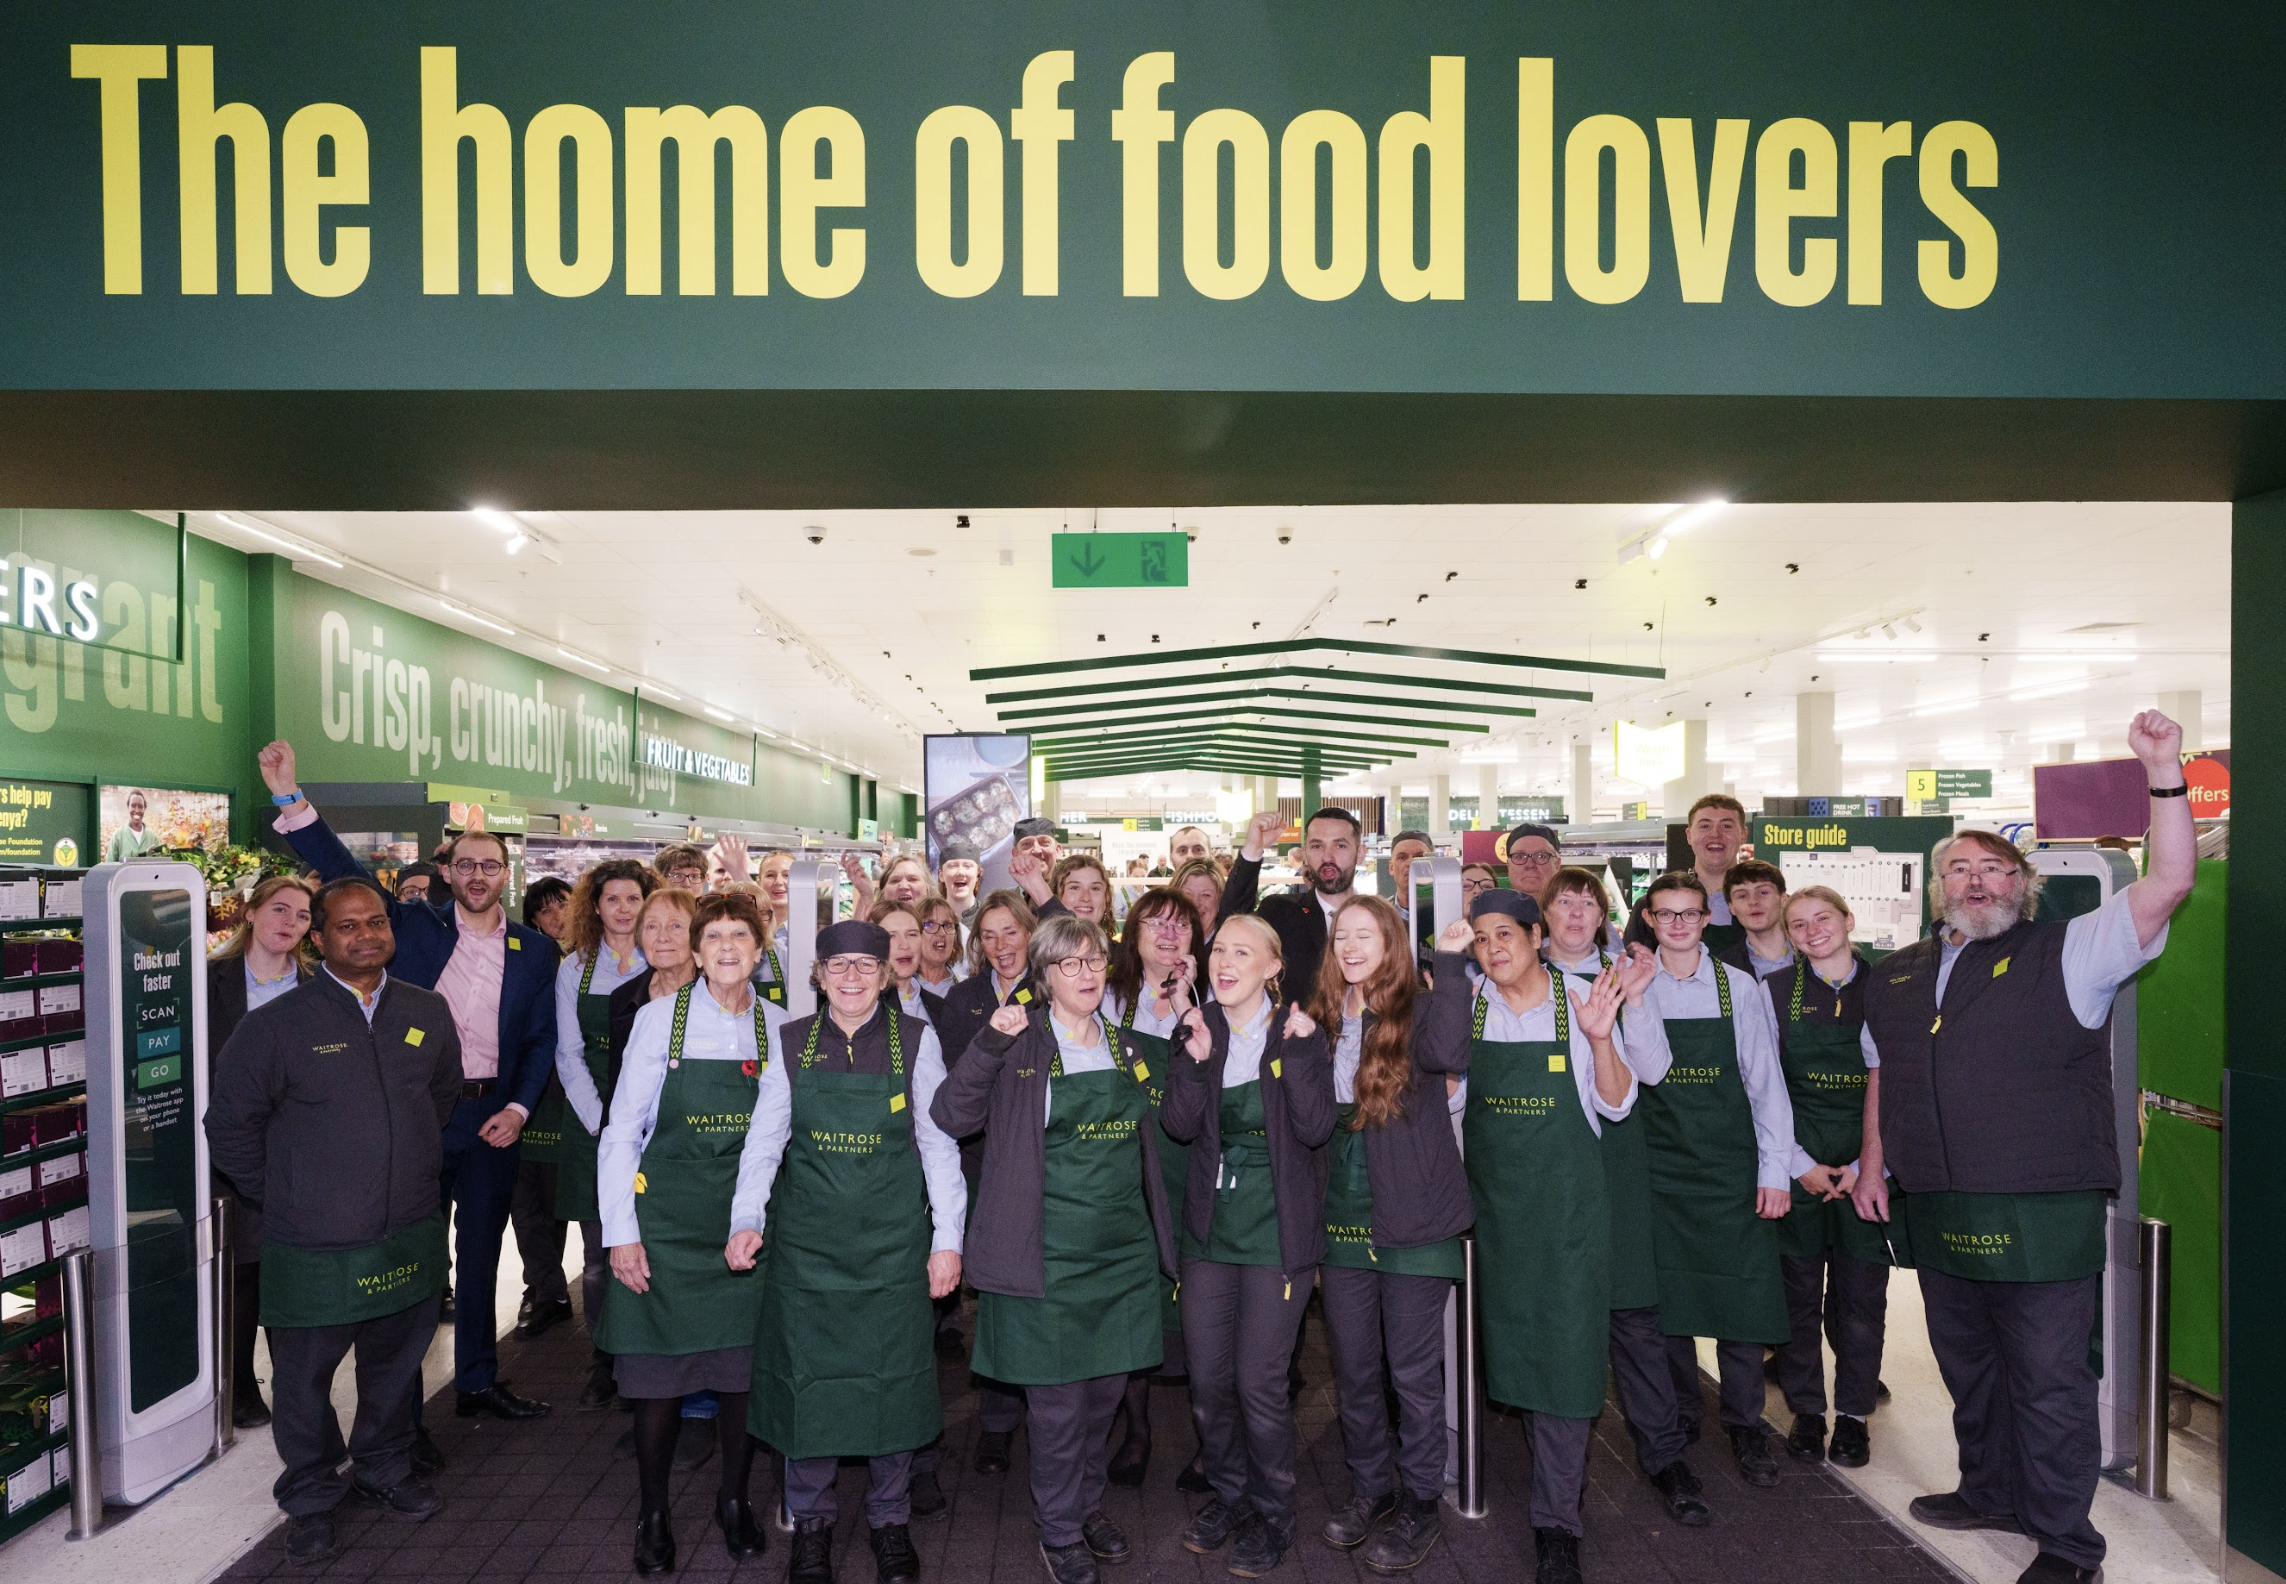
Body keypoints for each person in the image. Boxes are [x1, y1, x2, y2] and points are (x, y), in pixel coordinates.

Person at [1856, 711, 2192, 1584]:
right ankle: (1988, 1491)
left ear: (2024, 884)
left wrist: (2163, 773)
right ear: (1937, 889)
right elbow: (1883, 1074)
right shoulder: (1896, 974)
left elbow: (2166, 887)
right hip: (1938, 1202)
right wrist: (1870, 1164)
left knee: (2048, 1382)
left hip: (2042, 1208)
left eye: (1994, 868)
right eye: (1958, 869)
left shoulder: (2073, 953)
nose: (1975, 881)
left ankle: (2068, 1544)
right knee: (1969, 1366)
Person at [260, 740, 558, 1424]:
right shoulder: (412, 927)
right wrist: (288, 795)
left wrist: (517, 1107)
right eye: (467, 864)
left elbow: (541, 1038)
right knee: (413, 1264)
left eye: (492, 865)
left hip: (491, 1121)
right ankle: (401, 1412)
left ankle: (478, 1382)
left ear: (506, 876)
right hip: (417, 1118)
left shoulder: (533, 949)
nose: (479, 875)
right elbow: (341, 868)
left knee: (481, 1257)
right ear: (447, 871)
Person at [206, 877, 462, 1562]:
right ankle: (313, 1494)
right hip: (311, 1243)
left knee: (392, 1367)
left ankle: (382, 1467)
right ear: (319, 939)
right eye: (347, 926)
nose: (366, 936)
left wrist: (402, 1171)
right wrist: (288, 1193)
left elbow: (438, 1099)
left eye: (376, 922)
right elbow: (229, 1125)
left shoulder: (427, 1012)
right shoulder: (276, 1026)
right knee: (302, 1381)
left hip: (406, 1231)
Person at [932, 915, 1178, 1584]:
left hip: (1120, 1254)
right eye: (1069, 964)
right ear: (1041, 978)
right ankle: (1060, 1528)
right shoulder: (1020, 1044)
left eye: (1095, 960)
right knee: (1058, 1407)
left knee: (1102, 1399)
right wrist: (986, 1044)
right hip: (1044, 1255)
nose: (1087, 974)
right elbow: (951, 1115)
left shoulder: (1126, 1046)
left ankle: (1086, 1507)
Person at [729, 920, 967, 1584]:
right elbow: (764, 1141)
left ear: (888, 972)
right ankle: (812, 1527)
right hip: (807, 1252)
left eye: (867, 965)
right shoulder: (792, 1042)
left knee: (893, 1388)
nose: (854, 978)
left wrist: (948, 1241)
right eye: (840, 967)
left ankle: (890, 1523)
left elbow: (939, 1148)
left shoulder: (916, 1041)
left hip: (894, 1250)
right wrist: (747, 1217)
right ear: (817, 973)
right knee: (809, 1392)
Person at [1413, 893, 1640, 1583]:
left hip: (1567, 1217)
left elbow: (1618, 1101)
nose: (1493, 949)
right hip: (1490, 1222)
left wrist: (1603, 1039)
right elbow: (1447, 1101)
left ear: (1539, 937)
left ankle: (1556, 1523)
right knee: (1494, 1352)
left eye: (1505, 934)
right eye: (1481, 939)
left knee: (1567, 1362)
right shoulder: (1471, 1005)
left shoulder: (1582, 1004)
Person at [598, 892, 780, 1575]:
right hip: (665, 1227)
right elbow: (621, 1133)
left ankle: (734, 1501)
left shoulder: (779, 1028)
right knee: (657, 1381)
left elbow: (768, 1142)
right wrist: (621, 1232)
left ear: (759, 953)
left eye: (741, 935)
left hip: (744, 1227)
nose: (728, 947)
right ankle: (653, 1512)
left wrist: (748, 1221)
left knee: (739, 1379)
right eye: (715, 937)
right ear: (697, 953)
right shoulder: (657, 1022)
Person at [1160, 913, 1334, 1579]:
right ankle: (1231, 1497)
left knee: (1259, 1381)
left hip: (1277, 1232)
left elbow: (1317, 1127)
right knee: (1207, 1381)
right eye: (1218, 951)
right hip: (1210, 1230)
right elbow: (1178, 1125)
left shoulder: (1297, 1030)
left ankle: (1274, 1511)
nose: (1225, 962)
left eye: (1242, 952)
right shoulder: (1199, 1028)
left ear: (1272, 966)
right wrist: (1197, 1062)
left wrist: (1294, 1058)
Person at [1537, 867, 1710, 1531]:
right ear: (1545, 913)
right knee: (1557, 1313)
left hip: (1617, 1158)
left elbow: (1657, 1068)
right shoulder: (1512, 974)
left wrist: (1636, 1002)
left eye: (1589, 903)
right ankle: (1558, 1471)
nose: (1577, 914)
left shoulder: (1628, 974)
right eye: (1566, 902)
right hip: (1546, 1167)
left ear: (1605, 915)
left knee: (1634, 1313)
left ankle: (1664, 1454)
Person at [1306, 897, 1472, 1575]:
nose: (1349, 945)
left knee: (1412, 1373)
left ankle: (1420, 1502)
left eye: (1364, 934)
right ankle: (1372, 1487)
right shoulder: (1317, 1021)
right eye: (1341, 934)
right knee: (1353, 1368)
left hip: (1415, 1216)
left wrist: (1453, 965)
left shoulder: (1423, 1007)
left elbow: (1450, 1052)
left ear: (1392, 942)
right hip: (1339, 1216)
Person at [1623, 871, 1795, 1486]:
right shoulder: (1629, 986)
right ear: (1648, 918)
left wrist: (1776, 1170)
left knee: (1742, 1303)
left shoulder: (1738, 987)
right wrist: (1637, 997)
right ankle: (1683, 1412)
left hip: (1730, 1170)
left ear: (1705, 921)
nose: (1676, 925)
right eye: (1665, 914)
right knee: (1667, 1302)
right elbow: (1646, 1072)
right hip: (1659, 1171)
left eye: (1688, 914)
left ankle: (1746, 1425)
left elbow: (1765, 1083)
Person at [1766, 886, 1888, 1471]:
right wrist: (1799, 1165)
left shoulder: (1889, 988)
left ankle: (1855, 1418)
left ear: (1848, 919)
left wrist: (1872, 1167)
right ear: (1788, 936)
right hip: (1800, 1166)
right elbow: (1762, 1088)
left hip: (1874, 1172)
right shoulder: (1772, 993)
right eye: (1799, 924)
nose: (1812, 931)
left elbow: (1897, 1082)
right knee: (1796, 1298)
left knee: (1862, 1301)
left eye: (1823, 919)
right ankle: (1808, 1411)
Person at [1099, 886, 1206, 1489]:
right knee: (1133, 1306)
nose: (1168, 936)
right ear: (1133, 938)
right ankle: (1137, 1430)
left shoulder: (1216, 994)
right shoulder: (1111, 1002)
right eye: (1155, 926)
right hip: (1128, 1172)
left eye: (1181, 926)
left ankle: (1209, 1438)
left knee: (1201, 1313)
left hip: (1194, 1168)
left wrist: (1189, 1002)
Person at [529, 861, 656, 1357]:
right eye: (612, 900)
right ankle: (605, 1361)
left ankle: (650, 1352)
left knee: (654, 1245)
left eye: (633, 899)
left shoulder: (667, 961)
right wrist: (602, 1121)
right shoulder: (575, 968)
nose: (624, 910)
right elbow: (568, 1053)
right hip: (592, 1123)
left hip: (657, 1121)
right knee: (600, 1256)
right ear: (595, 907)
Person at [934, 888, 1042, 1466]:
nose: (1001, 946)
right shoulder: (965, 996)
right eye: (989, 935)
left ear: (1030, 933)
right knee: (996, 1295)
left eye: (1011, 932)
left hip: (1037, 1158)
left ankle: (1047, 1402)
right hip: (981, 1161)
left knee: (1036, 1289)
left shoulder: (1052, 992)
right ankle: (999, 1420)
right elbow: (956, 1080)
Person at [206, 874, 315, 1429]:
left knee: (289, 1269)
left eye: (301, 916)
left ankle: (296, 1386)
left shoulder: (319, 986)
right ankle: (240, 1386)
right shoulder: (208, 982)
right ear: (249, 913)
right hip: (231, 1147)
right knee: (243, 1268)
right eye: (279, 909)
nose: (289, 924)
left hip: (300, 1147)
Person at [1217, 806, 1361, 1003]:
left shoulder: (1381, 921)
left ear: (1360, 853)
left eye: (1340, 846)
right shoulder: (1280, 913)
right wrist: (1253, 848)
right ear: (1306, 854)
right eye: (1317, 846)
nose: (1327, 857)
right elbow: (1231, 922)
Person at [1681, 796, 1750, 955]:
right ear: (1689, 835)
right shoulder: (1656, 904)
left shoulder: (1770, 905)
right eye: (1705, 826)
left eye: (1726, 826)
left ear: (1743, 835)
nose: (1715, 835)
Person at [1718, 860, 1793, 980]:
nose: (1753, 902)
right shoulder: (1721, 969)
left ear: (1783, 899)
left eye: (1763, 892)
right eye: (1742, 896)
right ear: (1732, 908)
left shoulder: (1812, 954)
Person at [915, 895, 966, 996]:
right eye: (930, 924)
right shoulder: (900, 989)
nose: (942, 933)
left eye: (947, 925)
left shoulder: (966, 991)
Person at [1049, 852, 1114, 930]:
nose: (1086, 898)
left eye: (1095, 889)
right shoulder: (1040, 942)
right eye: (1075, 888)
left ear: (1107, 898)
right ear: (1055, 895)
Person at [1503, 822, 1563, 902]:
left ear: (1557, 864)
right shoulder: (1493, 912)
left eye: (1541, 856)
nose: (1530, 864)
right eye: (1520, 857)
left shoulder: (1577, 912)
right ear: (1508, 866)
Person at [1170, 859, 1224, 944]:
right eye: (1187, 894)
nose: (1195, 903)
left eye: (1206, 895)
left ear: (1220, 899)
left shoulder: (1228, 946)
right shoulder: (1163, 942)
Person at [106, 788, 165, 862]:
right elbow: (110, 865)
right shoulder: (118, 836)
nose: (137, 810)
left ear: (144, 809)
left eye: (140, 806)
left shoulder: (152, 837)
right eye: (133, 806)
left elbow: (160, 865)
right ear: (128, 807)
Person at [936, 839, 983, 923]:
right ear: (941, 875)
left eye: (967, 866)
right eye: (953, 866)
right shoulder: (931, 918)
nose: (960, 872)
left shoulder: (988, 917)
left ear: (978, 875)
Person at [1385, 830, 1432, 900]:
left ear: (1432, 865)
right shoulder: (1380, 910)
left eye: (1419, 857)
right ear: (1392, 867)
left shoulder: (1450, 909)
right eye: (1402, 857)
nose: (1410, 863)